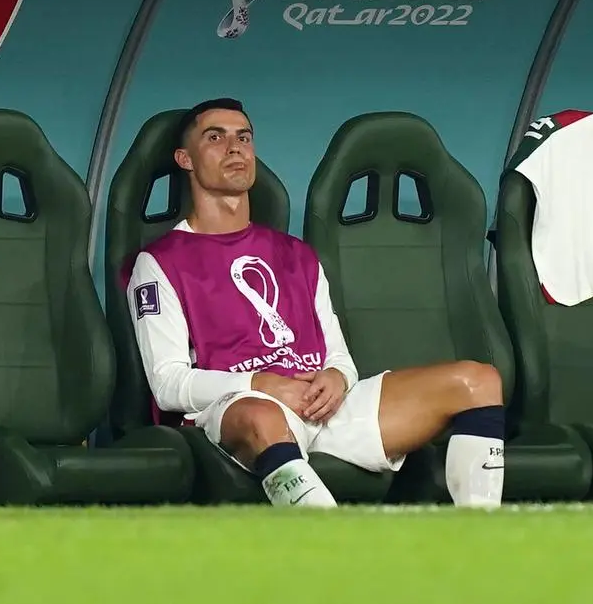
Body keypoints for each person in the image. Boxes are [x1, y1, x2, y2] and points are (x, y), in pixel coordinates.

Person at [125, 98, 506, 508]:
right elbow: (167, 385)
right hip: (241, 407)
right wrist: (260, 383)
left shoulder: (298, 254)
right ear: (185, 158)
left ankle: (481, 542)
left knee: (479, 381)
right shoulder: (161, 261)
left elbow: (338, 355)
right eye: (215, 137)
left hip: (323, 405)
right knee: (261, 415)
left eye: (244, 137)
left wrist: (338, 379)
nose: (235, 148)